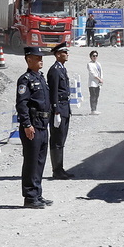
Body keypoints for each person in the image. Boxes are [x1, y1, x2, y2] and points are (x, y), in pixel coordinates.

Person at [15, 46, 53, 209]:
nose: (41, 60)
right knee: (31, 161)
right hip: (33, 126)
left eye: (41, 58)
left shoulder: (40, 77)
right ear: (29, 59)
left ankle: (37, 193)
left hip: (43, 125)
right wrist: (27, 124)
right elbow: (21, 104)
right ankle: (30, 197)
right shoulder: (25, 80)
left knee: (40, 161)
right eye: (38, 58)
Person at [47, 42, 74, 180]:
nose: (67, 54)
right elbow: (53, 92)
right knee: (57, 140)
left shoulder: (62, 69)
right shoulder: (55, 70)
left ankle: (60, 168)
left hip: (65, 107)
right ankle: (56, 170)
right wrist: (56, 111)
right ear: (58, 55)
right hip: (59, 109)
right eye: (65, 52)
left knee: (61, 139)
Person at [87, 50, 103, 115]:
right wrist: (99, 78)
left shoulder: (98, 63)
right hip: (92, 83)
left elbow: (101, 72)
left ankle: (95, 109)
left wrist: (101, 79)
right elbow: (92, 73)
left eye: (96, 56)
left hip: (98, 83)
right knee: (93, 96)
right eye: (93, 56)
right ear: (91, 57)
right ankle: (92, 110)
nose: (95, 57)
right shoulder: (89, 64)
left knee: (97, 96)